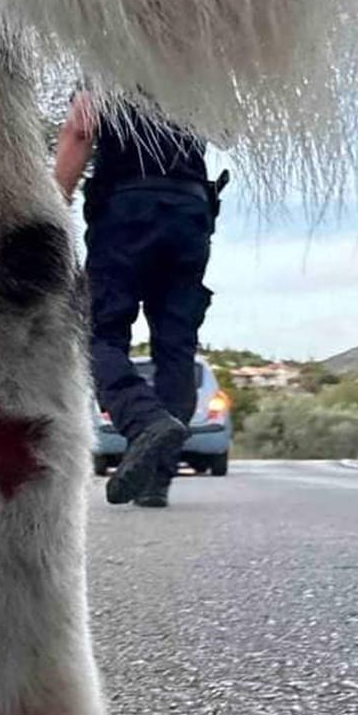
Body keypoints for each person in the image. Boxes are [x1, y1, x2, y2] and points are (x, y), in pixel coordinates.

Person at [55, 92, 227, 507]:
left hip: (126, 210)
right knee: (176, 350)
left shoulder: (106, 61)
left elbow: (80, 130)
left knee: (97, 334)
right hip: (190, 214)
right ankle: (156, 480)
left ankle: (143, 419)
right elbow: (226, 128)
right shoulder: (193, 72)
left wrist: (54, 204)